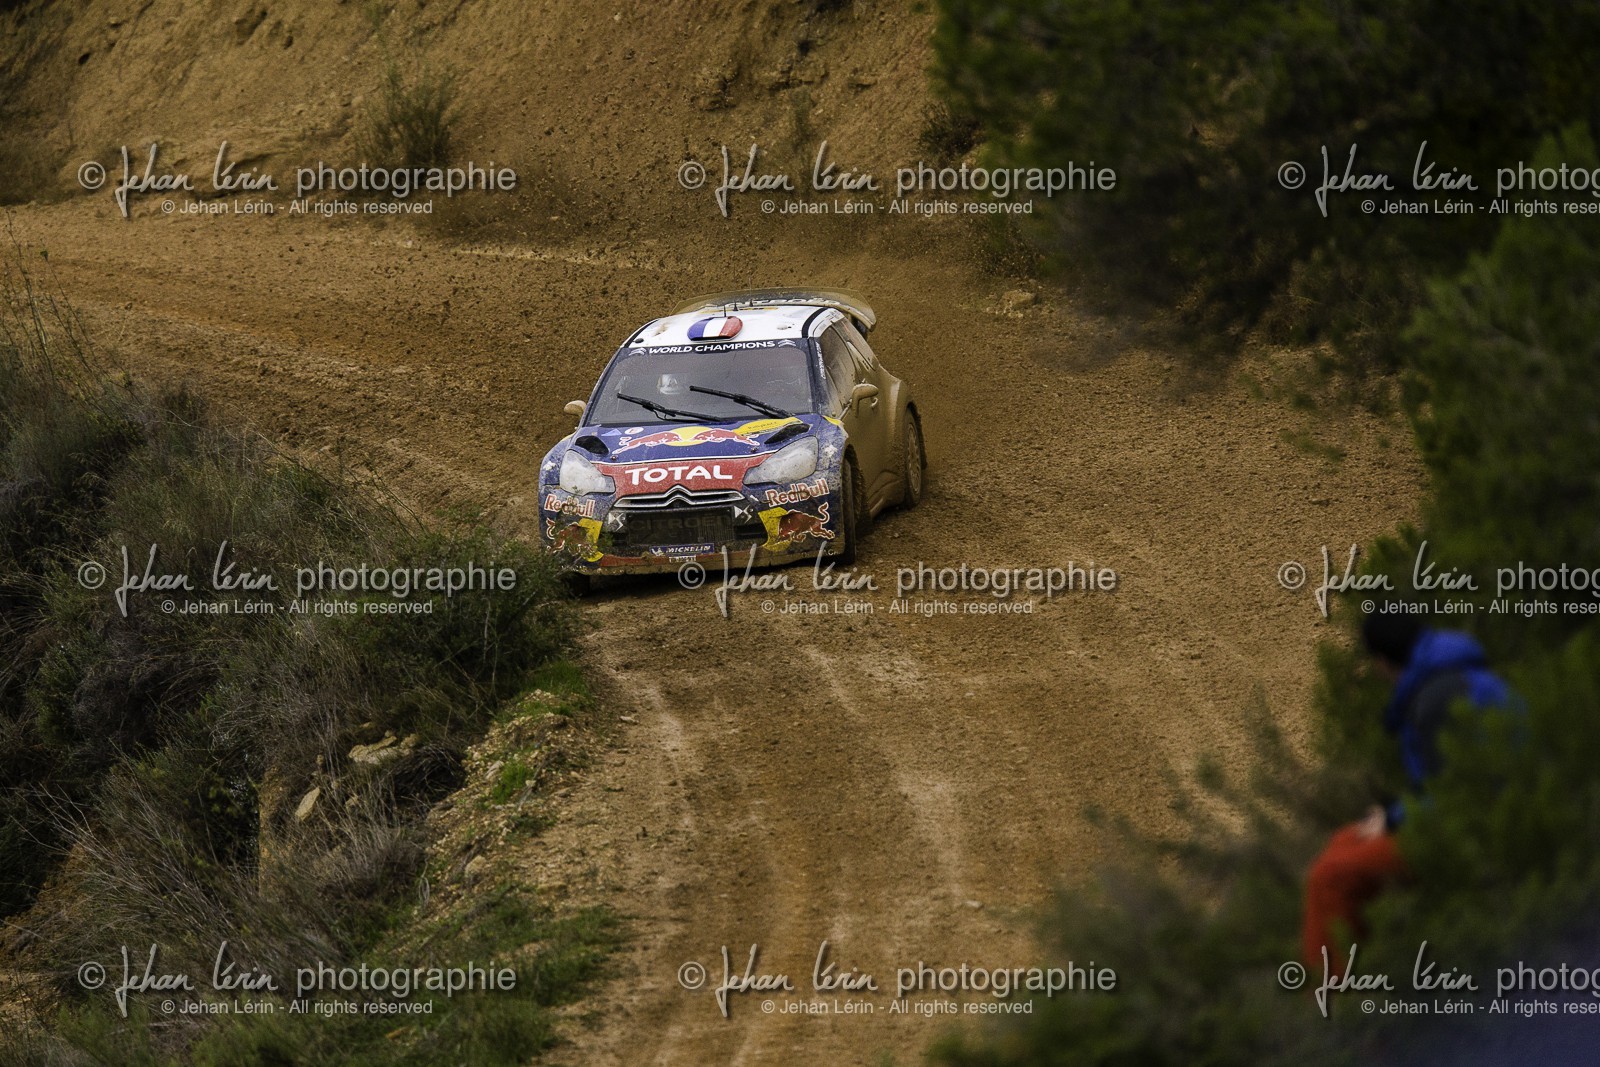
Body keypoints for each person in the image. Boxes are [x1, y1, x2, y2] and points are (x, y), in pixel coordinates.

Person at [1300, 610, 1518, 971]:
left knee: (1330, 877)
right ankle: (1365, 966)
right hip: (1488, 812)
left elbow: (1458, 794)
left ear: (1383, 661)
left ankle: (1338, 1008)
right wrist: (1392, 814)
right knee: (1344, 841)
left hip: (1486, 827)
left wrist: (1394, 818)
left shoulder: (1438, 697)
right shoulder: (1453, 672)